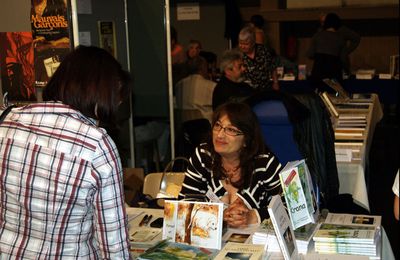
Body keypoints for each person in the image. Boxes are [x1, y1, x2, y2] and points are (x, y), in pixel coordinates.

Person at [0, 46, 131, 258]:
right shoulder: (97, 145)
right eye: (116, 96)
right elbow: (113, 246)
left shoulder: (7, 122)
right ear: (100, 92)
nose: (116, 104)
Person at [179, 102, 282, 228]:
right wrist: (217, 215)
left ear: (246, 140)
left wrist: (253, 216)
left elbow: (290, 207)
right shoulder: (203, 155)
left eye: (231, 130)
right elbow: (184, 204)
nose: (220, 135)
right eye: (218, 125)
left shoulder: (265, 163)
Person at [307, 13, 347, 91]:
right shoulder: (341, 38)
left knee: (318, 98)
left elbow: (310, 54)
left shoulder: (317, 36)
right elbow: (344, 59)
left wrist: (320, 56)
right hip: (334, 74)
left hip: (318, 73)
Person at [175, 56, 216, 122]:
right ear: (203, 68)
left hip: (184, 125)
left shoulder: (179, 85)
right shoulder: (212, 86)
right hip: (205, 126)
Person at [238, 26, 279, 91]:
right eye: (240, 43)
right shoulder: (238, 55)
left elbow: (273, 67)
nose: (242, 46)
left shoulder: (263, 50)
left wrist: (275, 82)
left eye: (246, 44)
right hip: (246, 90)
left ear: (253, 43)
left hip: (265, 88)